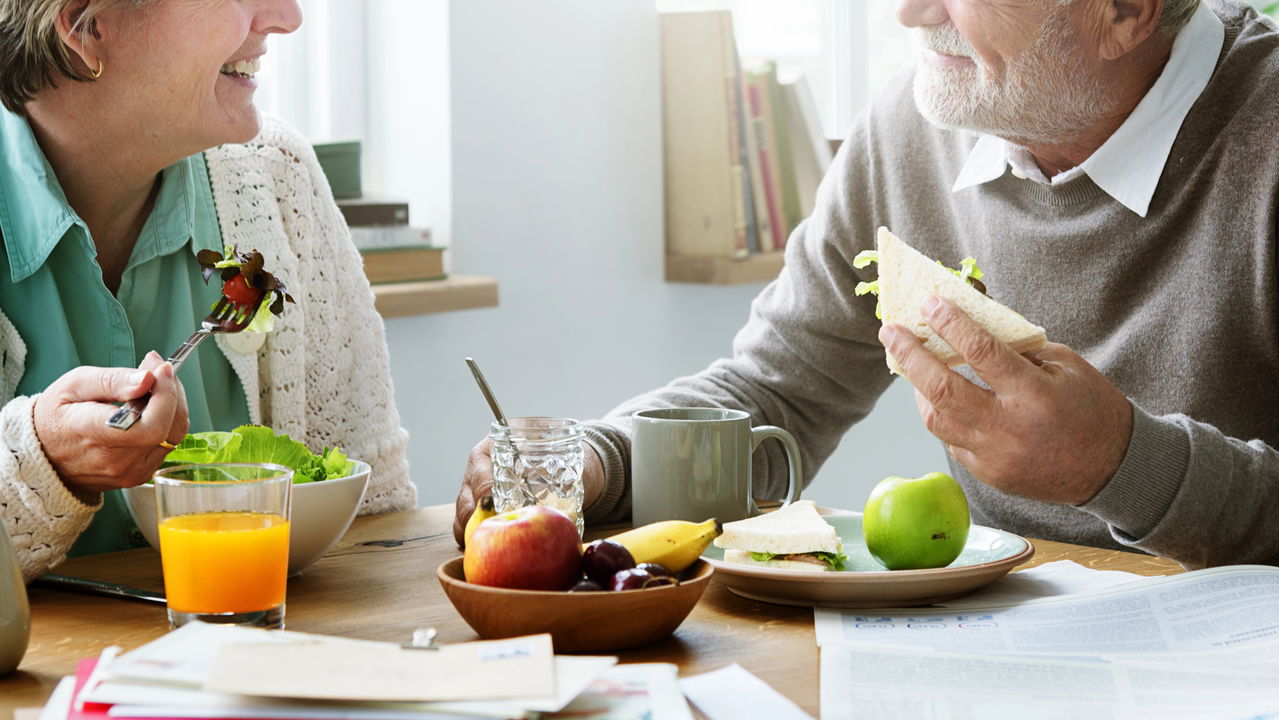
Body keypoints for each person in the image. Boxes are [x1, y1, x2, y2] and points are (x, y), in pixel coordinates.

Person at [456, 0, 1279, 569]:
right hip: (999, 644)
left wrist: (1119, 463)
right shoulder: (913, 126)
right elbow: (779, 393)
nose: (906, 12)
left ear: (1127, 11)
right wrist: (602, 461)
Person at [1, 0, 417, 583]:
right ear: (86, 26)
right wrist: (39, 463)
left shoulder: (277, 176)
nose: (288, 16)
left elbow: (375, 527)